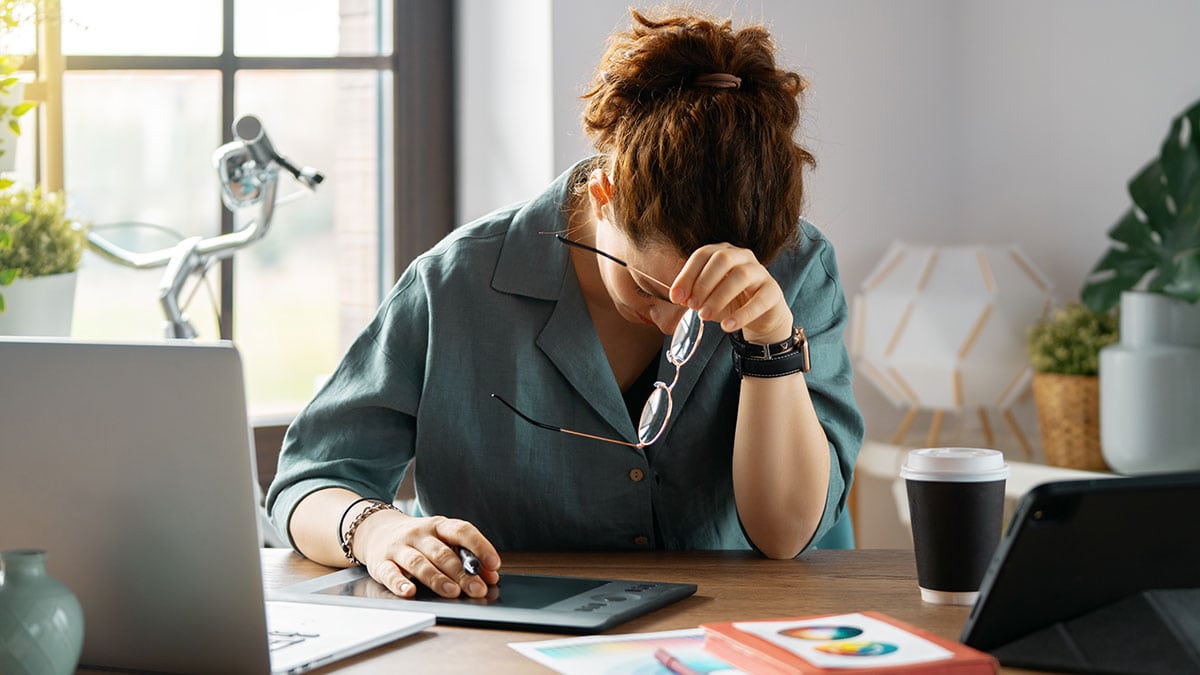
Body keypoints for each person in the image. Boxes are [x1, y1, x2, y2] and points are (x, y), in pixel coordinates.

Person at [266, 7, 864, 602]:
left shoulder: (797, 268)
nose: (681, 326)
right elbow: (310, 480)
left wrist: (769, 345)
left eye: (710, 304)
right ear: (603, 195)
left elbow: (786, 536)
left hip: (733, 635)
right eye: (656, 293)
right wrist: (379, 532)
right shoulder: (454, 285)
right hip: (504, 641)